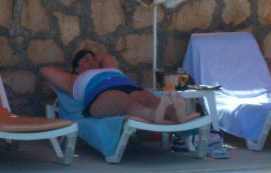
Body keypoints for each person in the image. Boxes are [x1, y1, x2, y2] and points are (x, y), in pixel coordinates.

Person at [41, 49, 199, 124]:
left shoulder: (107, 67)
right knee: (126, 102)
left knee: (150, 99)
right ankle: (153, 115)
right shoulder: (73, 80)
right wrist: (70, 71)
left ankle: (177, 114)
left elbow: (104, 55)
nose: (93, 62)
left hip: (131, 88)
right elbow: (45, 70)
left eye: (94, 59)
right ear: (76, 68)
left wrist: (92, 61)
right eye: (86, 60)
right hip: (101, 95)